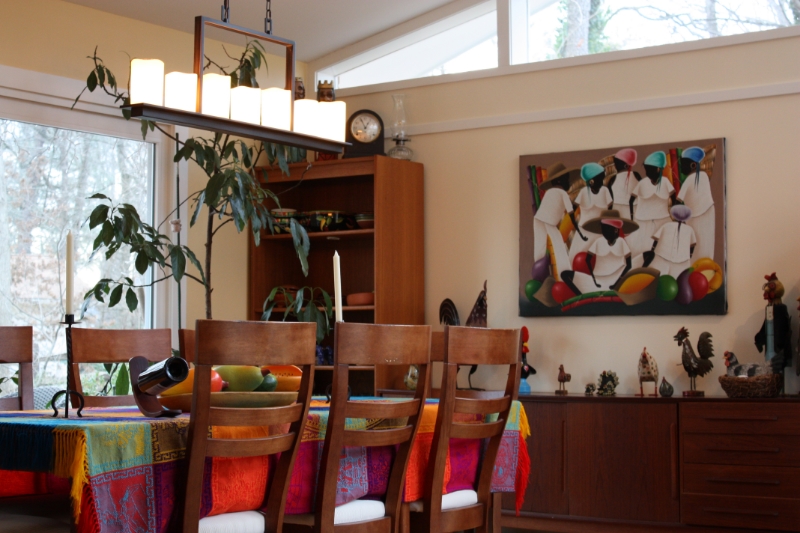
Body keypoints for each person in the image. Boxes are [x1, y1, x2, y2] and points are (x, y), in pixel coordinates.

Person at [561, 209, 638, 295]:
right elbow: (587, 259)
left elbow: (629, 264)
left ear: (615, 229)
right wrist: (593, 278)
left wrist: (619, 281)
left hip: (618, 279)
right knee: (565, 274)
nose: (604, 231)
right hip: (597, 282)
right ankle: (581, 296)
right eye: (603, 228)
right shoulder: (598, 241)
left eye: (606, 228)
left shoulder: (621, 242)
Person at [533, 162, 586, 279]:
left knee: (539, 247)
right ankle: (564, 274)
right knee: (559, 247)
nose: (569, 182)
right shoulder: (562, 193)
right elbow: (571, 213)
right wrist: (578, 230)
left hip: (538, 220)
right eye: (566, 179)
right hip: (549, 222)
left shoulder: (549, 193)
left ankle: (539, 273)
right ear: (558, 181)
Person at [629, 151, 678, 256]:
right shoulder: (642, 183)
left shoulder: (665, 182)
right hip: (642, 223)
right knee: (641, 252)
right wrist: (632, 218)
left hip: (662, 221)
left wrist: (673, 213)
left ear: (658, 169)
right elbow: (631, 200)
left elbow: (673, 197)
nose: (647, 172)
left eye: (649, 169)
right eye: (646, 169)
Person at [569, 162, 613, 263]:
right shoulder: (584, 192)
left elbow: (610, 212)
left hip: (600, 232)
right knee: (578, 259)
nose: (602, 182)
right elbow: (572, 209)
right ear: (592, 181)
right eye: (600, 179)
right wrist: (577, 229)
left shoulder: (605, 191)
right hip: (584, 232)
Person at [676, 146, 715, 261]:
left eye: (683, 163)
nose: (681, 166)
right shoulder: (704, 176)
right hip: (708, 213)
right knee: (706, 245)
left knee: (695, 245)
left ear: (693, 165)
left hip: (695, 217)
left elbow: (677, 202)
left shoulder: (689, 179)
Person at [648, 204, 696, 278]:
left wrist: (652, 250)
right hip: (682, 262)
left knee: (656, 278)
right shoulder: (690, 229)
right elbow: (692, 245)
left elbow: (656, 240)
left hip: (662, 258)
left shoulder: (666, 225)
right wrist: (690, 256)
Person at [607, 148, 640, 219]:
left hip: (618, 212)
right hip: (635, 211)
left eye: (616, 164)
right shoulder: (636, 175)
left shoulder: (613, 179)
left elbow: (609, 200)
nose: (615, 166)